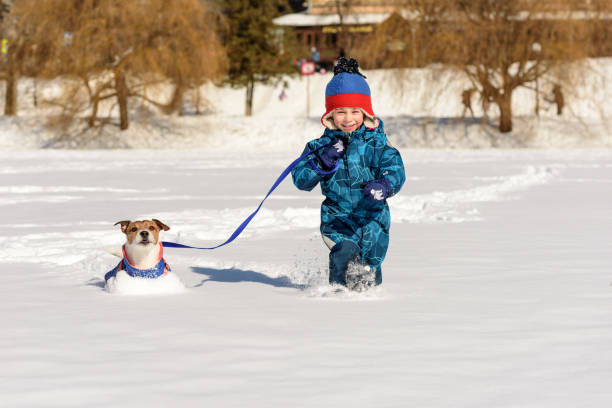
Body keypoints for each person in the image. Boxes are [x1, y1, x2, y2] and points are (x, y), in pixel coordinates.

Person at [291, 58, 405, 291]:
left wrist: (384, 185)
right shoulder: (321, 146)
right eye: (340, 112)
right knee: (345, 253)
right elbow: (300, 179)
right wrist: (321, 162)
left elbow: (395, 170)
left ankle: (369, 303)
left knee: (369, 270)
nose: (348, 118)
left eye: (355, 111)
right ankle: (339, 296)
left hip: (373, 222)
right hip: (338, 221)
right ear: (330, 115)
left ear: (366, 113)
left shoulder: (378, 144)